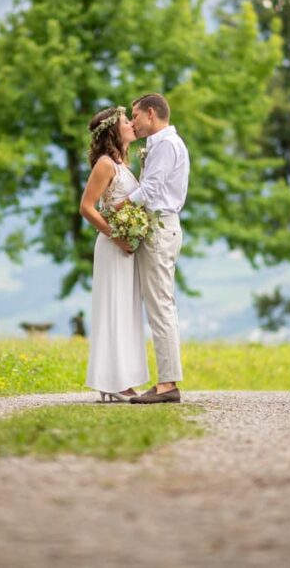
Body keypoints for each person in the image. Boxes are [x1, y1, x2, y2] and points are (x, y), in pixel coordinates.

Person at [117, 93, 189, 404]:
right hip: (159, 228)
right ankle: (165, 381)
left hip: (160, 229)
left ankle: (168, 384)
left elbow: (152, 189)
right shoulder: (161, 144)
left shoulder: (166, 145)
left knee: (160, 306)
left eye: (135, 116)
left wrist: (117, 207)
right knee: (159, 305)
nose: (132, 122)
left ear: (150, 113)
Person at [79, 106, 149, 401]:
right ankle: (112, 381)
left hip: (125, 248)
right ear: (112, 130)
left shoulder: (122, 164)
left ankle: (121, 380)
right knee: (114, 310)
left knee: (126, 311)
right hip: (112, 247)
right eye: (125, 121)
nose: (132, 123)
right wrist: (116, 235)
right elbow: (86, 207)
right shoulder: (105, 164)